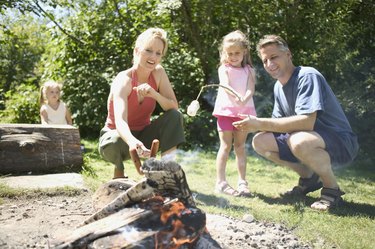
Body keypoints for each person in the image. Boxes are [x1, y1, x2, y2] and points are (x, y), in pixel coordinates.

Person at [233, 35, 359, 210]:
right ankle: (308, 177)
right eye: (265, 60)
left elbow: (307, 122)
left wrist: (260, 123)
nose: (270, 64)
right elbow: (278, 124)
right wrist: (250, 124)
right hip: (307, 140)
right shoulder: (278, 86)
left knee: (298, 140)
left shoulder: (307, 75)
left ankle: (332, 190)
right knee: (259, 141)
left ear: (288, 55)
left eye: (274, 57)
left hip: (340, 141)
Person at [98, 28, 185, 179]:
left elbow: (173, 107)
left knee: (175, 116)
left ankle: (165, 174)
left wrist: (155, 94)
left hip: (143, 134)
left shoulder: (158, 73)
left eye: (158, 53)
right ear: (137, 50)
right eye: (149, 50)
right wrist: (132, 142)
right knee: (116, 140)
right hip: (115, 138)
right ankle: (119, 172)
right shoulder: (123, 80)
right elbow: (120, 121)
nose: (153, 57)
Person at [213, 30, 257, 197]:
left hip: (244, 112)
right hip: (226, 112)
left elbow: (250, 89)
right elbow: (225, 85)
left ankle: (242, 182)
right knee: (225, 146)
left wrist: (244, 98)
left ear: (244, 51)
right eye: (229, 53)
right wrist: (235, 96)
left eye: (237, 53)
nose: (233, 56)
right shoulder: (224, 68)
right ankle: (221, 182)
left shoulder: (249, 70)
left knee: (239, 147)